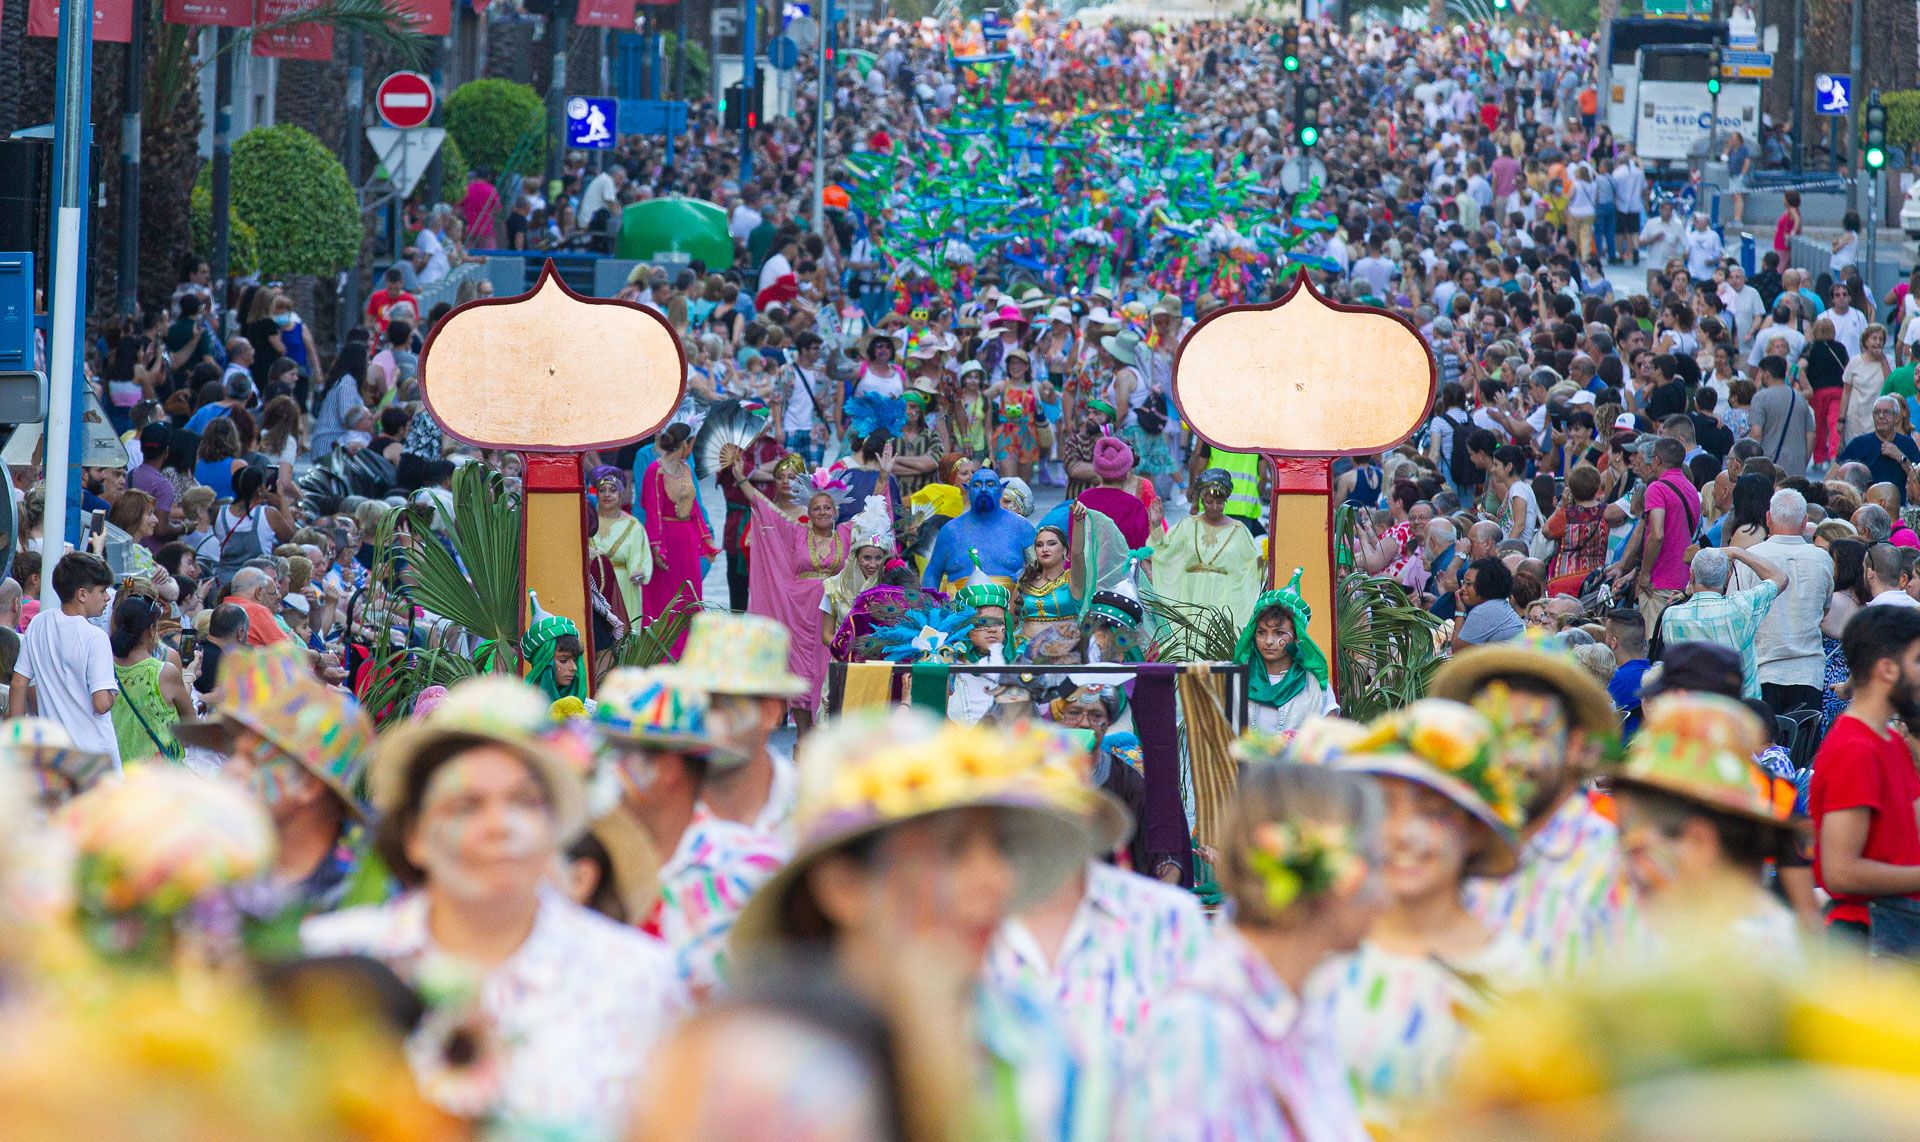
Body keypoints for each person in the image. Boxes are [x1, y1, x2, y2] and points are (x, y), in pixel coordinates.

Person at [303, 676, 688, 1135]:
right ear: (415, 837)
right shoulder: (333, 963)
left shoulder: (640, 979)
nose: (498, 825)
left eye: (523, 802)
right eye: (466, 805)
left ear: (556, 829)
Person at [728, 709, 1113, 1140]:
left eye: (1000, 846)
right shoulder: (756, 1070)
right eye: (952, 850)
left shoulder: (1045, 1053)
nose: (997, 880)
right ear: (843, 888)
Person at [1313, 700, 1533, 1131]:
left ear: (1473, 830)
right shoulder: (1316, 956)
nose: (1403, 834)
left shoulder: (1514, 977)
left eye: (1433, 812)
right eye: (1384, 808)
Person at [1137, 758, 1382, 1141]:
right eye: (1374, 863)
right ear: (1326, 869)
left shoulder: (1303, 1011)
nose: (1385, 892)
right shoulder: (1204, 1031)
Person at [986, 723, 1212, 1048]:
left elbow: (1200, 1051)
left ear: (1088, 820)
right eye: (1024, 816)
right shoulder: (968, 920)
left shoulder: (1167, 919)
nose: (1042, 831)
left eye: (1061, 812)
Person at [1435, 642, 1634, 978]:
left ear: (1574, 745)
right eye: (1491, 732)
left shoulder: (1615, 867)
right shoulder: (1448, 845)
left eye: (1531, 733)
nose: (1508, 755)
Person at [593, 668, 787, 1000]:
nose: (601, 767)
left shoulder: (752, 873)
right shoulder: (580, 862)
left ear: (666, 768)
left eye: (618, 753)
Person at [1610, 691, 1802, 960]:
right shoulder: (1675, 929)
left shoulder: (1735, 958)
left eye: (1640, 828)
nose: (1628, 849)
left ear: (1699, 842)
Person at [1810, 604, 1920, 951]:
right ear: (1887, 669)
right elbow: (1840, 871)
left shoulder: (1890, 743)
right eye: (1918, 662)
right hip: (1874, 940)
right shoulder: (1856, 749)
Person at [734, 461, 853, 733]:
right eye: (816, 508)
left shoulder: (846, 534)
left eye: (827, 508)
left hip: (833, 615)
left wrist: (882, 476)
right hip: (798, 613)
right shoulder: (795, 533)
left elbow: (875, 514)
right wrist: (740, 477)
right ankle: (802, 737)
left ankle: (826, 734)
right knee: (799, 671)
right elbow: (765, 508)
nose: (822, 512)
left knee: (829, 670)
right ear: (807, 513)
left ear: (835, 511)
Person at [671, 612, 809, 840]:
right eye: (695, 701)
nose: (706, 719)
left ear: (770, 711)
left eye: (724, 704)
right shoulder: (660, 803)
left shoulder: (808, 815)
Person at [1725, 488, 1834, 715]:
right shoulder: (1823, 559)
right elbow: (1825, 609)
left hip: (1762, 671)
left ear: (1768, 518)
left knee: (1761, 748)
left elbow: (1734, 613)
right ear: (1805, 522)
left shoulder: (1751, 557)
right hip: (1808, 673)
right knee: (1802, 748)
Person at [8, 553, 119, 768]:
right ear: (82, 594)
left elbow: (19, 683)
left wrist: (16, 740)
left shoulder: (40, 623)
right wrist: (113, 691)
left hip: (55, 756)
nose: (107, 598)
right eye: (102, 590)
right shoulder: (95, 637)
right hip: (95, 758)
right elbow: (102, 703)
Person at [1657, 547, 1787, 699]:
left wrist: (1691, 587)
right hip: (1741, 711)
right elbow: (1780, 578)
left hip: (1693, 712)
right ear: (1728, 576)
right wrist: (1737, 552)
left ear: (1691, 574)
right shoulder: (1740, 606)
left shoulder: (1671, 616)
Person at [1151, 467, 1262, 635]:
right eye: (1209, 502)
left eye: (1220, 502)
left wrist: (1266, 558)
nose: (1215, 507)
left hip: (1224, 600)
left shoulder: (1239, 530)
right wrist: (1156, 526)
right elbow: (1164, 552)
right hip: (1189, 598)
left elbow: (1252, 565)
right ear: (1201, 500)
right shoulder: (1187, 525)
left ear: (1225, 501)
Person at [640, 424, 716, 655]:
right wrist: (657, 548)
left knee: (690, 596)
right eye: (690, 445)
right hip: (668, 542)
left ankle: (689, 650)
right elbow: (652, 511)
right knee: (666, 597)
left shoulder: (685, 469)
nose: (691, 450)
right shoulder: (655, 471)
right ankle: (664, 652)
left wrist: (705, 538)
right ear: (684, 444)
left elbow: (695, 508)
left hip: (687, 541)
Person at [1237, 570, 1334, 734]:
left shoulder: (1314, 685)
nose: (1268, 641)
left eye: (1279, 633)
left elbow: (1329, 735)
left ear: (1297, 637)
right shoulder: (1239, 681)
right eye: (1261, 632)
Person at [107, 593, 194, 764]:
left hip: (117, 770)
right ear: (152, 630)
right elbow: (191, 724)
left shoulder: (104, 666)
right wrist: (189, 674)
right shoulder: (164, 672)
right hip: (157, 777)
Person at [588, 467, 652, 624]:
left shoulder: (633, 526)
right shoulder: (587, 521)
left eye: (612, 490)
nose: (607, 495)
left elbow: (640, 557)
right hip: (594, 588)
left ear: (621, 494)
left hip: (624, 587)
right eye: (602, 490)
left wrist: (638, 572)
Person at [1838, 396, 1920, 504]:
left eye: (1886, 412)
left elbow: (1917, 480)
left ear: (1896, 417)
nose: (1881, 416)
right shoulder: (1859, 443)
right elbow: (1836, 473)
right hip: (1865, 506)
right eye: (1877, 412)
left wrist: (1900, 457)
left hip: (1898, 508)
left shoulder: (1907, 443)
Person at [1452, 557, 1524, 649]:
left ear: (1485, 585)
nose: (1462, 588)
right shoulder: (1497, 606)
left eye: (1468, 584)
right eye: (1463, 583)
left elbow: (1458, 651)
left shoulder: (1485, 611)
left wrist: (1460, 612)